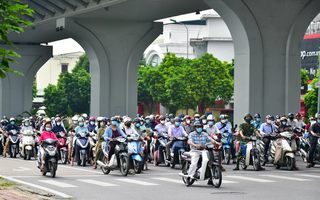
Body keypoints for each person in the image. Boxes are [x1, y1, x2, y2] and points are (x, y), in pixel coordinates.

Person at [186, 121, 221, 185]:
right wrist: (195, 145)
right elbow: (190, 141)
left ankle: (210, 178)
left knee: (209, 160)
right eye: (197, 127)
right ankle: (189, 177)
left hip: (203, 150)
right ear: (195, 128)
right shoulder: (192, 134)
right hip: (195, 151)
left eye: (200, 127)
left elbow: (210, 139)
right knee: (194, 164)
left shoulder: (204, 134)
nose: (199, 128)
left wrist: (217, 143)